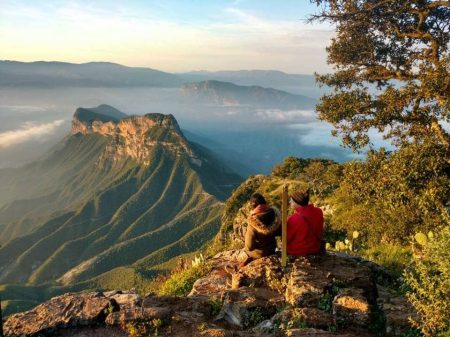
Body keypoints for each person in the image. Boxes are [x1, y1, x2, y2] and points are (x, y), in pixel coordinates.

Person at [244, 193, 281, 263]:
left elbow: (249, 247)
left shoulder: (253, 222)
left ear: (253, 205)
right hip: (272, 249)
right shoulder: (274, 215)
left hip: (260, 253)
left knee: (245, 251)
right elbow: (280, 232)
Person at [287, 189, 324, 256]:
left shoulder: (294, 218)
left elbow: (286, 239)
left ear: (297, 202)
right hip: (315, 248)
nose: (289, 202)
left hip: (297, 252)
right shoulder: (319, 211)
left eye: (291, 201)